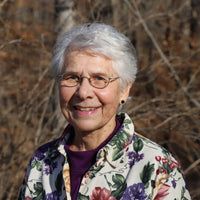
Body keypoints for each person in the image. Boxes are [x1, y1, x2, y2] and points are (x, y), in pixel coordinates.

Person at [18, 23, 191, 200]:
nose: (83, 92)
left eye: (99, 79)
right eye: (72, 78)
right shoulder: (42, 161)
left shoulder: (157, 168)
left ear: (124, 90)